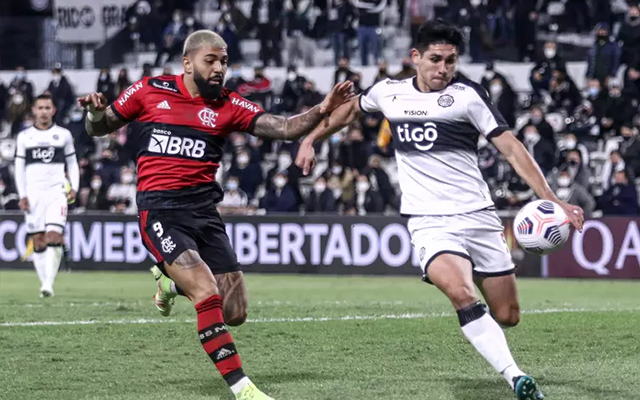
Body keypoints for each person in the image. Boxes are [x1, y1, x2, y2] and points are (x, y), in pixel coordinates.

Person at [295, 20, 584, 400]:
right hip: (429, 221)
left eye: (450, 61)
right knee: (461, 293)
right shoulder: (389, 93)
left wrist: (553, 199)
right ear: (415, 57)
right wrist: (311, 138)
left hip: (479, 217)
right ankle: (516, 377)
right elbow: (348, 112)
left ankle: (482, 288)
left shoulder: (467, 96)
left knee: (507, 315)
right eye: (435, 59)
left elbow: (512, 149)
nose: (442, 69)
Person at [77, 29, 352, 400]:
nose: (220, 67)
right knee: (206, 294)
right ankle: (244, 389)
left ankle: (170, 285)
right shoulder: (149, 90)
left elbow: (284, 128)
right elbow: (99, 127)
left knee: (235, 311)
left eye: (224, 60)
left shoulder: (229, 105)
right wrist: (95, 112)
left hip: (204, 213)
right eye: (212, 60)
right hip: (161, 211)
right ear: (187, 62)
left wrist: (321, 109)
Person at [14, 94, 79, 297]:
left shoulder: (64, 135)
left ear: (53, 111)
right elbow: (18, 168)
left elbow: (72, 164)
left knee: (54, 236)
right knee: (39, 240)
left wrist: (74, 187)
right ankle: (44, 283)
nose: (43, 111)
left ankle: (48, 284)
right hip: (33, 194)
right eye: (40, 108)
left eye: (47, 108)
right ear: (33, 110)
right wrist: (22, 194)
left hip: (56, 192)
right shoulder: (25, 137)